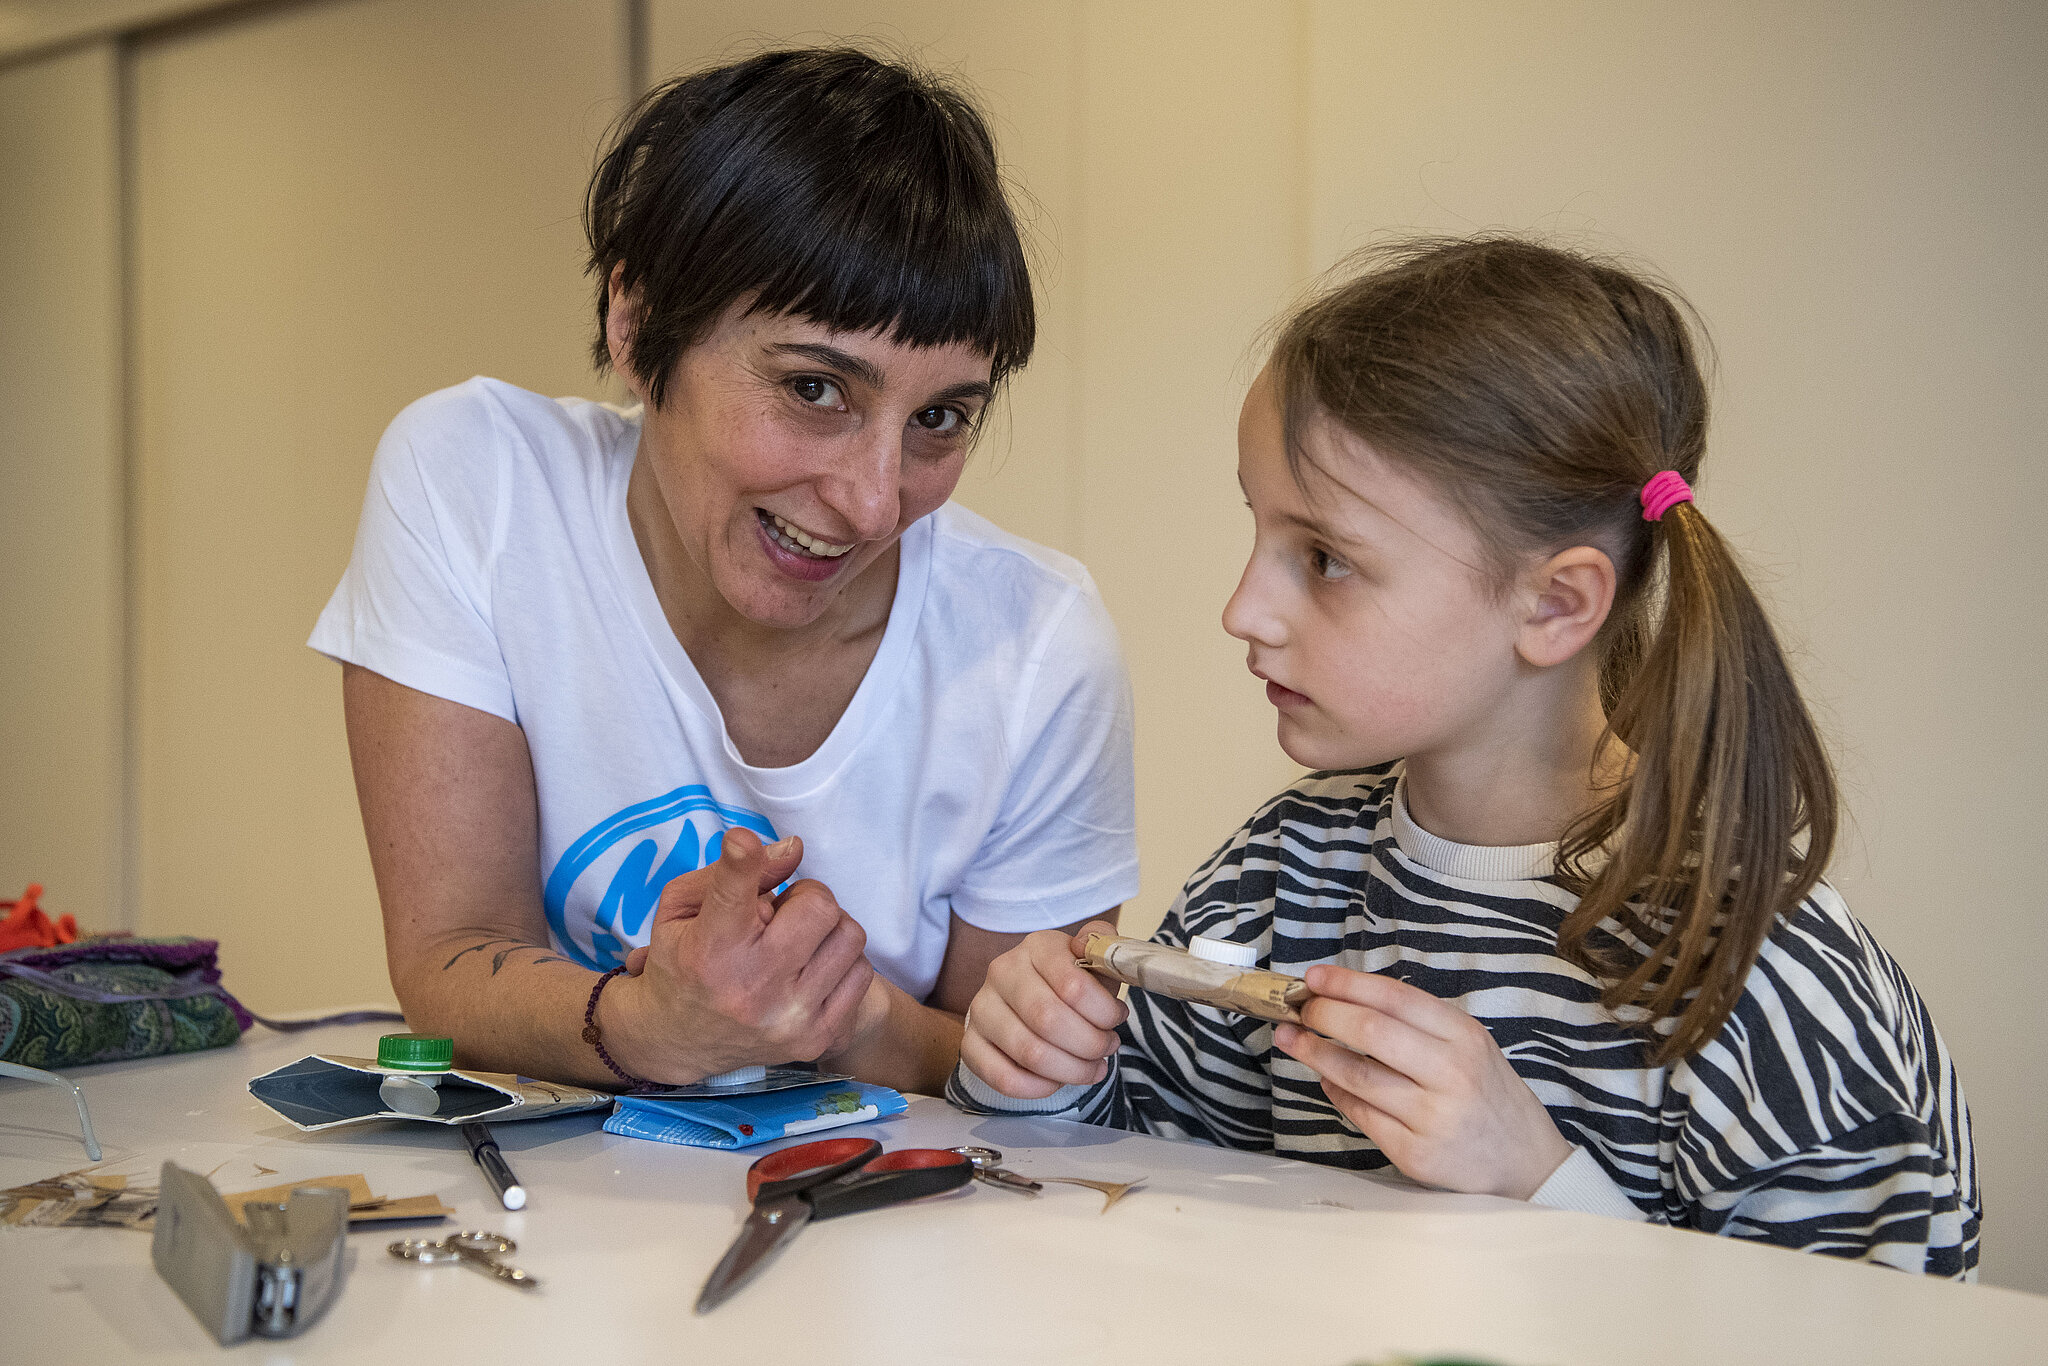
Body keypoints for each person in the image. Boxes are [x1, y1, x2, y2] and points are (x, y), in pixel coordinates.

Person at [948, 236, 1979, 1276]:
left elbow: (1878, 1328)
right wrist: (1037, 1075)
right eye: (1257, 532)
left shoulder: (1761, 978)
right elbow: (1138, 1187)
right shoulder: (1280, 871)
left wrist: (1531, 1179)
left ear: (1554, 602)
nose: (1240, 610)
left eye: (1325, 558)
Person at [311, 49, 1137, 1094]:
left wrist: (835, 1010)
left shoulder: (1035, 647)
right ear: (633, 318)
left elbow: (1034, 1087)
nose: (874, 501)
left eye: (938, 418)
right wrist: (649, 1023)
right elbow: (451, 957)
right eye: (812, 387)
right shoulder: (479, 483)